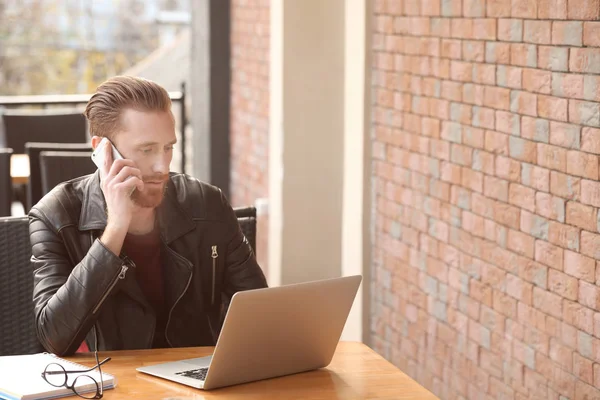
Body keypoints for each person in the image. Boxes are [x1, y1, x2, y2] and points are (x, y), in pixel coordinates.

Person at [29, 76, 267, 356]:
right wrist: (115, 229)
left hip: (199, 385)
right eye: (146, 150)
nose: (162, 166)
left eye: (168, 147)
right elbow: (55, 338)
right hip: (113, 388)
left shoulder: (207, 203)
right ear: (102, 149)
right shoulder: (54, 216)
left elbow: (260, 312)